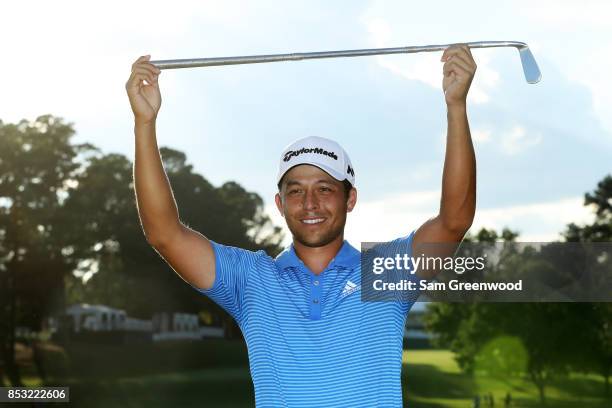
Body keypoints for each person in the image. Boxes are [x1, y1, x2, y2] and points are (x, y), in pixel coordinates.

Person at [126, 44, 477, 408]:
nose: (310, 204)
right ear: (280, 204)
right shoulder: (251, 280)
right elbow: (164, 234)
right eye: (296, 191)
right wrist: (144, 124)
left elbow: (454, 221)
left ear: (350, 199)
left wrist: (456, 106)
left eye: (325, 189)